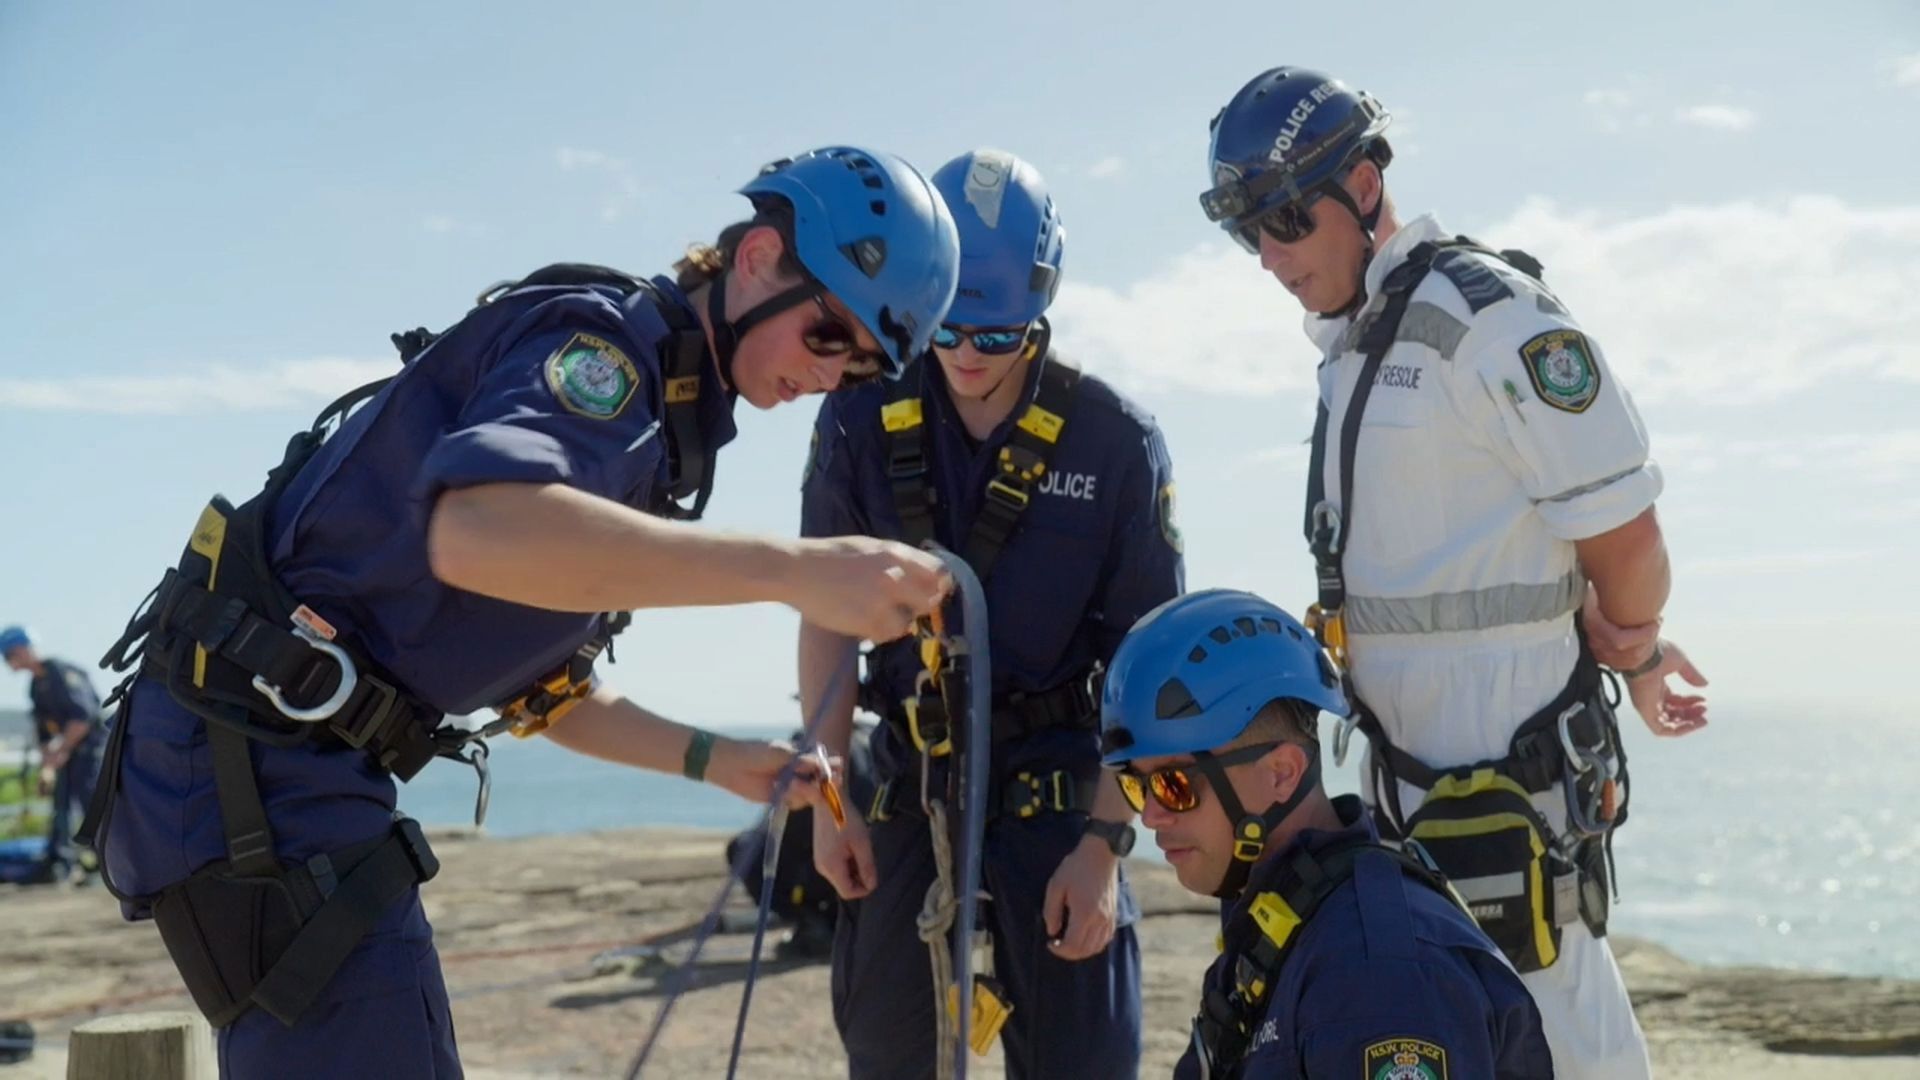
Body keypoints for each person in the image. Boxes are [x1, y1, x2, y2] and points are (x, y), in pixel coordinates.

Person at [83, 145, 963, 1079]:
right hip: (255, 770)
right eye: (831, 334)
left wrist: (719, 760)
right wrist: (796, 571)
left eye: (864, 368)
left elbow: (548, 696)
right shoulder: (604, 353)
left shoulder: (660, 425)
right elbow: (480, 531)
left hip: (281, 771)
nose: (833, 376)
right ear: (755, 258)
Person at [1198, 67, 1711, 1078]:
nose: (1268, 254)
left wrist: (1638, 646)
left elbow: (1627, 535)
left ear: (1363, 184)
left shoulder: (1490, 318)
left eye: (1287, 218)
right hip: (1416, 801)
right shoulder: (1358, 343)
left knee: (1568, 1037)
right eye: (1247, 229)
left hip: (1505, 809)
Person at [799, 148, 1184, 1078]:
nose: (968, 355)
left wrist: (1103, 848)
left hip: (1060, 795)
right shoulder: (858, 418)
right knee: (889, 1053)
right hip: (905, 778)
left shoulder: (1114, 441)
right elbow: (824, 617)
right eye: (948, 329)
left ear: (1042, 306)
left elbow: (1148, 665)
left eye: (999, 335)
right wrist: (828, 801)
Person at [1098, 589, 1554, 1079]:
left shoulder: (1378, 977)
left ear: (1282, 773)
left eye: (1175, 785)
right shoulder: (1282, 921)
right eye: (1137, 785)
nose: (1150, 815)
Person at [1, 625, 104, 884]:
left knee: (91, 804)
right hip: (66, 754)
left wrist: (62, 751)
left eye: (10, 654)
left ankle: (107, 859)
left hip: (89, 751)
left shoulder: (60, 673)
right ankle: (63, 863)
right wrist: (48, 765)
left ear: (22, 650)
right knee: (61, 807)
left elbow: (82, 719)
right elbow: (44, 733)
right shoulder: (36, 687)